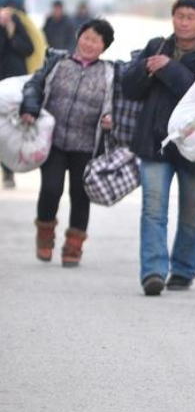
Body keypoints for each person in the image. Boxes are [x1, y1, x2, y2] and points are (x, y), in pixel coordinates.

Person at [122, 0, 195, 296]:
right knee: (153, 209)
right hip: (155, 143)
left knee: (191, 211)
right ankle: (153, 271)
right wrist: (144, 68)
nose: (183, 22)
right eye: (178, 15)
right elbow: (128, 89)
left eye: (190, 17)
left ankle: (183, 268)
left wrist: (169, 69)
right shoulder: (157, 45)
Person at [19, 19, 116, 267]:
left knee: (80, 195)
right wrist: (29, 108)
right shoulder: (57, 62)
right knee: (51, 189)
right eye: (86, 37)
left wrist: (110, 119)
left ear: (104, 47)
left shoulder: (110, 72)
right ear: (78, 37)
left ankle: (74, 245)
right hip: (54, 141)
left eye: (96, 40)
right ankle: (45, 233)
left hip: (86, 145)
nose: (89, 43)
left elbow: (117, 103)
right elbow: (34, 86)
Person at [0, 1, 34, 189]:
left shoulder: (17, 27)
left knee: (10, 129)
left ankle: (9, 171)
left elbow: (29, 49)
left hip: (14, 87)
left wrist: (12, 32)